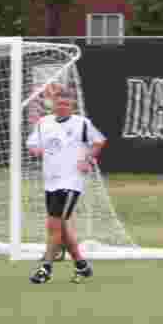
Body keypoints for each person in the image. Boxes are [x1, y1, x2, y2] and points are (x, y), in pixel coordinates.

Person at [25, 84, 107, 284]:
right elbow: (32, 144)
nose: (62, 107)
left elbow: (99, 141)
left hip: (71, 182)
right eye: (59, 103)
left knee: (54, 224)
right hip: (51, 181)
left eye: (66, 104)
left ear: (72, 105)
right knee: (60, 226)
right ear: (53, 104)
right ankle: (81, 264)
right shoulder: (44, 122)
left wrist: (87, 159)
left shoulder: (82, 123)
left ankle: (46, 268)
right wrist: (37, 151)